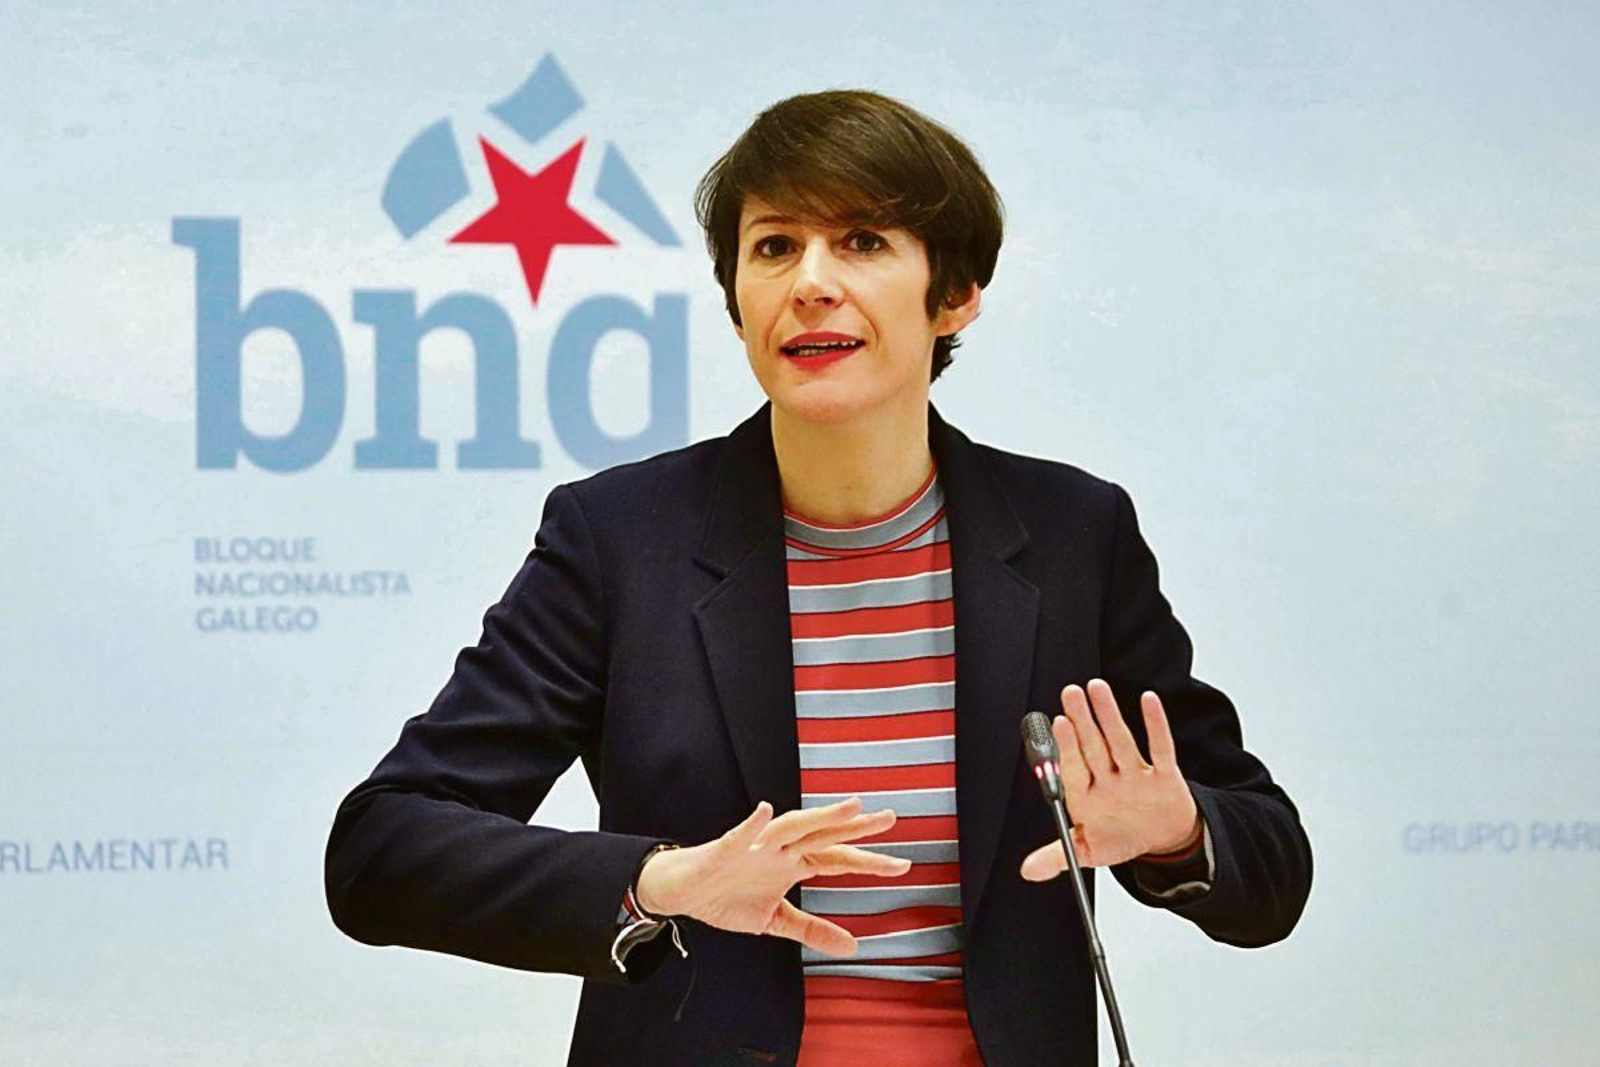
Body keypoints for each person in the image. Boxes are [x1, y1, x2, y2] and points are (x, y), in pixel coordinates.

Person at [324, 89, 1312, 1067]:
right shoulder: (620, 540)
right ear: (737, 299)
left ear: (955, 293)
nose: (810, 282)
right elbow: (383, 850)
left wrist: (1176, 829)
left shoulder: (1070, 535)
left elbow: (1269, 864)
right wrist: (661, 879)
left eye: (864, 242)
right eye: (773, 246)